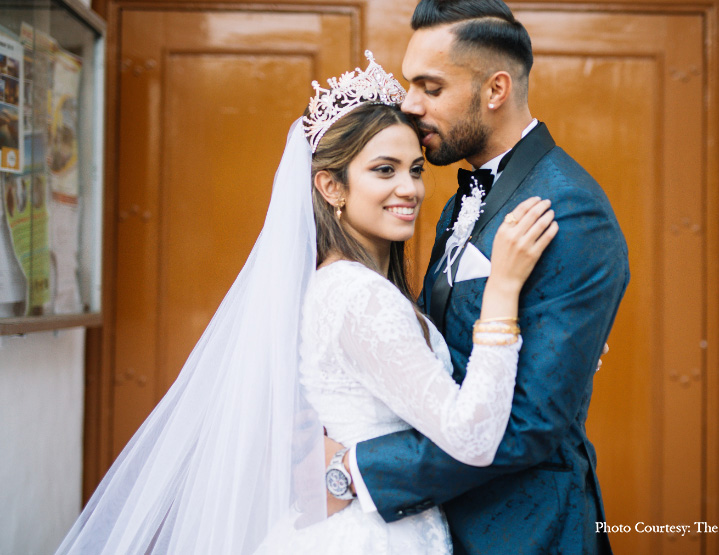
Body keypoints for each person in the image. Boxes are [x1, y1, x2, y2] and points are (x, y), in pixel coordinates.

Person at [55, 51, 555, 555]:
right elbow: (470, 437)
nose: (409, 189)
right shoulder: (358, 296)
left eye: (415, 169)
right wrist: (503, 295)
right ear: (331, 186)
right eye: (385, 170)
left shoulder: (338, 284)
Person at [327, 0, 630, 555]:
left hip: (524, 530)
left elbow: (531, 425)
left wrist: (362, 469)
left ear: (495, 90)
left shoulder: (568, 212)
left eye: (430, 87)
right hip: (443, 523)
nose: (409, 105)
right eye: (409, 84)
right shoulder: (459, 201)